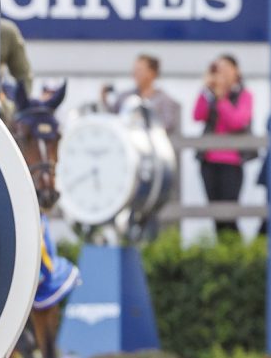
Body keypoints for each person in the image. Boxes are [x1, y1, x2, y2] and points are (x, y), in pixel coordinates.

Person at [193, 55, 253, 235]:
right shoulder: (209, 94)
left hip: (231, 162)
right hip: (209, 161)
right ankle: (222, 256)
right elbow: (197, 115)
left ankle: (234, 253)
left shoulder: (244, 95)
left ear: (237, 71)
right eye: (218, 70)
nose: (222, 74)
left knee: (229, 214)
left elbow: (237, 122)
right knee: (215, 215)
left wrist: (221, 99)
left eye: (226, 69)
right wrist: (207, 89)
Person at [102, 54, 181, 136]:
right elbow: (112, 118)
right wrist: (104, 100)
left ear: (152, 73)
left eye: (140, 70)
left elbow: (168, 126)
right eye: (134, 70)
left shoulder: (165, 101)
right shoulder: (125, 96)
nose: (135, 74)